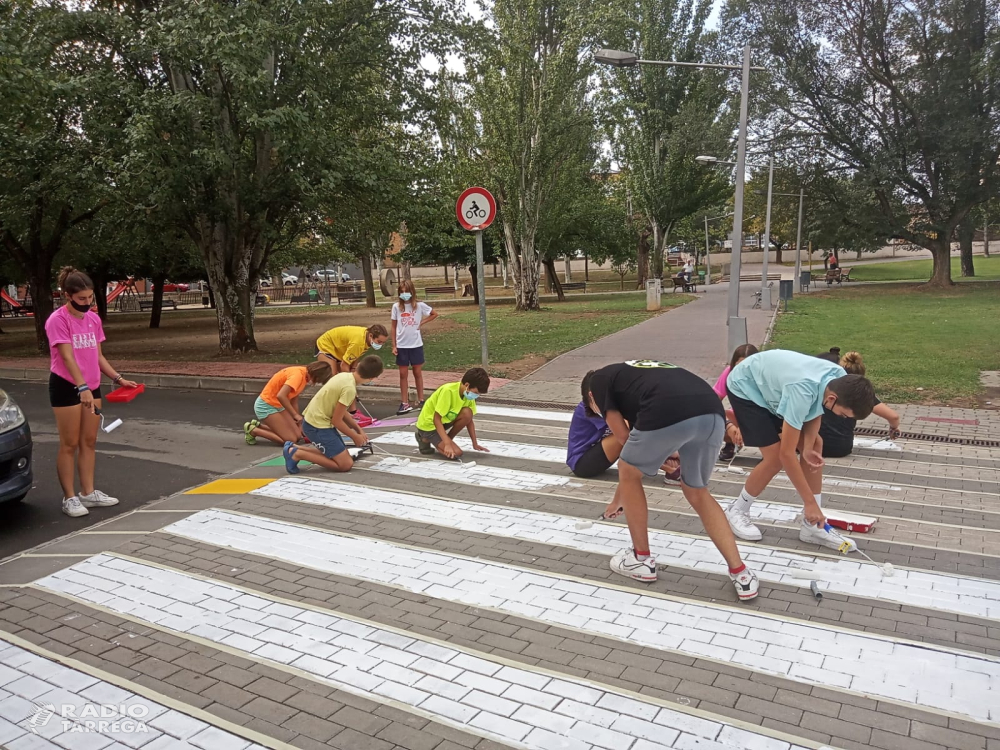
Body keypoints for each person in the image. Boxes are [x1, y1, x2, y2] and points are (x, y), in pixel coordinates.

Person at [581, 360, 759, 599]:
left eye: (597, 411)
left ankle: (640, 559)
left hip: (668, 410)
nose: (602, 415)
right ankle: (741, 574)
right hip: (711, 413)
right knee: (697, 491)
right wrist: (620, 498)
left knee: (626, 467)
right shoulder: (636, 377)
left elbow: (624, 441)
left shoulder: (598, 380)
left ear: (591, 398)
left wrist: (659, 462)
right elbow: (642, 446)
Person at [723, 349, 878, 551]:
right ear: (832, 399)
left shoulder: (839, 378)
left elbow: (816, 409)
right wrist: (809, 503)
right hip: (746, 387)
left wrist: (807, 447)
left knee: (815, 445)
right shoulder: (802, 391)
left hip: (774, 385)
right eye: (844, 414)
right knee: (774, 458)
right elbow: (787, 455)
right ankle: (737, 510)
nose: (843, 419)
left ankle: (812, 526)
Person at [46, 267, 139, 518]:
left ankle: (88, 492)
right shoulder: (58, 320)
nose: (87, 303)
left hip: (91, 385)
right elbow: (67, 357)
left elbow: (97, 355)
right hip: (67, 385)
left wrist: (118, 378)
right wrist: (82, 387)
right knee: (69, 443)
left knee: (89, 441)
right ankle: (70, 497)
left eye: (90, 298)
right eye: (81, 299)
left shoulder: (94, 320)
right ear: (68, 295)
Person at [282, 355, 384, 474]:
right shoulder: (349, 389)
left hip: (315, 422)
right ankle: (297, 454)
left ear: (359, 366)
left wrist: (358, 429)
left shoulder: (343, 376)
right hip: (317, 426)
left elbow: (340, 412)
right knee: (345, 464)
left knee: (339, 454)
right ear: (371, 378)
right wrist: (354, 436)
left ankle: (295, 448)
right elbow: (337, 421)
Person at [815, 349, 901, 457]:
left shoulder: (824, 386)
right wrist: (894, 428)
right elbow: (893, 416)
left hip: (811, 445)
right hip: (840, 448)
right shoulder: (859, 393)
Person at [566, 401, 682, 481]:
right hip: (582, 464)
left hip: (603, 455)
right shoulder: (588, 408)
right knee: (627, 432)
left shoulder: (612, 404)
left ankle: (673, 461)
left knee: (637, 428)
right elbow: (627, 435)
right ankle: (671, 468)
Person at [314, 324, 388, 426]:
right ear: (371, 336)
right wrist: (350, 383)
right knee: (333, 381)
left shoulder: (366, 339)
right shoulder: (358, 342)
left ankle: (352, 413)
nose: (381, 345)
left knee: (348, 382)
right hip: (326, 346)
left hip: (338, 348)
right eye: (379, 342)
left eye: (383, 343)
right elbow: (344, 365)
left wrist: (353, 370)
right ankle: (324, 415)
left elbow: (355, 355)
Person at [244, 361, 333, 446]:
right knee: (291, 440)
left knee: (298, 435)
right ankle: (253, 430)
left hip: (278, 405)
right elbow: (281, 396)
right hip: (266, 405)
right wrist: (294, 415)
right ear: (316, 375)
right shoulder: (297, 376)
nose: (316, 383)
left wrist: (298, 423)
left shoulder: (304, 376)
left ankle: (260, 426)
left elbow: (294, 400)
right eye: (318, 381)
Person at [415, 368, 491, 459]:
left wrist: (474, 443)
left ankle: (445, 440)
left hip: (444, 422)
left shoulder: (466, 394)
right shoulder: (448, 391)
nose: (476, 396)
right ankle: (424, 438)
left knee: (467, 412)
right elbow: (436, 419)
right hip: (429, 425)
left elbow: (469, 419)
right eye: (475, 393)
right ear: (467, 385)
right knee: (456, 453)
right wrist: (447, 445)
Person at [390, 280, 438, 415]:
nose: (405, 294)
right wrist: (394, 345)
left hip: (416, 344)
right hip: (402, 345)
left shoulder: (420, 306)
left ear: (412, 292)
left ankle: (421, 400)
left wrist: (422, 322)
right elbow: (393, 327)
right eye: (402, 292)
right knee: (403, 374)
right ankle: (404, 402)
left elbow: (434, 314)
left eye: (407, 291)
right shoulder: (396, 307)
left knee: (417, 372)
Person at [712, 344, 759, 461]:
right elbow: (713, 400)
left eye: (748, 366)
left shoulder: (763, 377)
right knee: (713, 417)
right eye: (739, 365)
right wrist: (728, 425)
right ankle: (730, 443)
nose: (743, 370)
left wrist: (744, 425)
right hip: (738, 415)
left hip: (761, 416)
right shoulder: (729, 373)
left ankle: (773, 449)